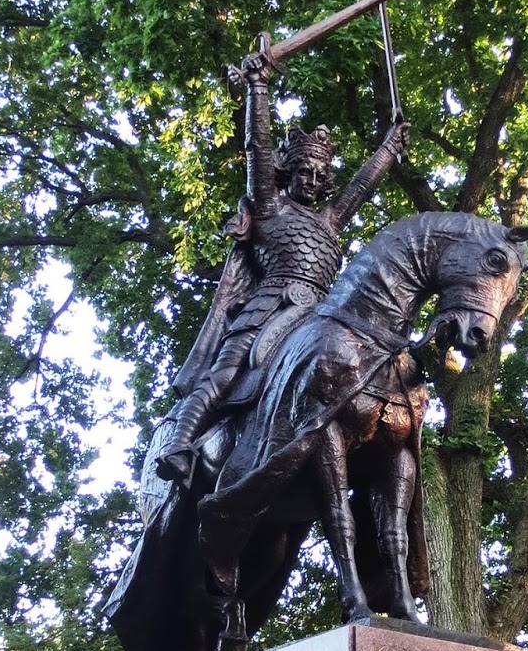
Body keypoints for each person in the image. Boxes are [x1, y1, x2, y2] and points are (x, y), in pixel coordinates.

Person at [156, 51, 410, 487]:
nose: (311, 179)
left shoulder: (328, 222)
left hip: (322, 315)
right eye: (304, 171)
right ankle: (179, 442)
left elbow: (362, 187)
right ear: (288, 173)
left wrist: (390, 146)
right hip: (270, 306)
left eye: (318, 174)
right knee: (227, 371)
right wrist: (258, 86)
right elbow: (258, 149)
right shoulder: (270, 207)